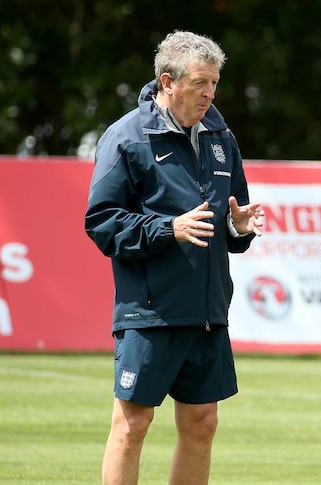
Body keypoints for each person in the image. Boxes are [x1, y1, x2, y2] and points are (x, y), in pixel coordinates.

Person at [85, 30, 263, 485]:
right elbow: (102, 222)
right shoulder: (125, 137)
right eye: (201, 82)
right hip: (150, 311)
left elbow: (230, 218)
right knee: (132, 425)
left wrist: (237, 229)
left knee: (203, 423)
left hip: (207, 311)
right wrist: (169, 228)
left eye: (215, 83)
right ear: (168, 82)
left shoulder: (222, 136)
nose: (210, 93)